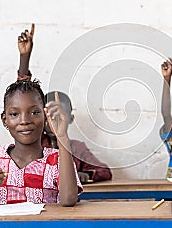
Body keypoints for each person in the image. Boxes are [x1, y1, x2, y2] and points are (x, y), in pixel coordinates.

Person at [0, 80, 83, 205]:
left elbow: (69, 199)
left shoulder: (58, 159)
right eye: (15, 114)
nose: (25, 120)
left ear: (45, 117)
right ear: (5, 120)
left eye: (34, 112)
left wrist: (62, 136)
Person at [17, 24, 112, 184]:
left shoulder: (76, 148)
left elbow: (105, 172)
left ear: (70, 118)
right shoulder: (35, 143)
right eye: (48, 116)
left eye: (59, 116)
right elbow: (22, 95)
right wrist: (24, 59)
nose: (53, 122)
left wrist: (86, 175)